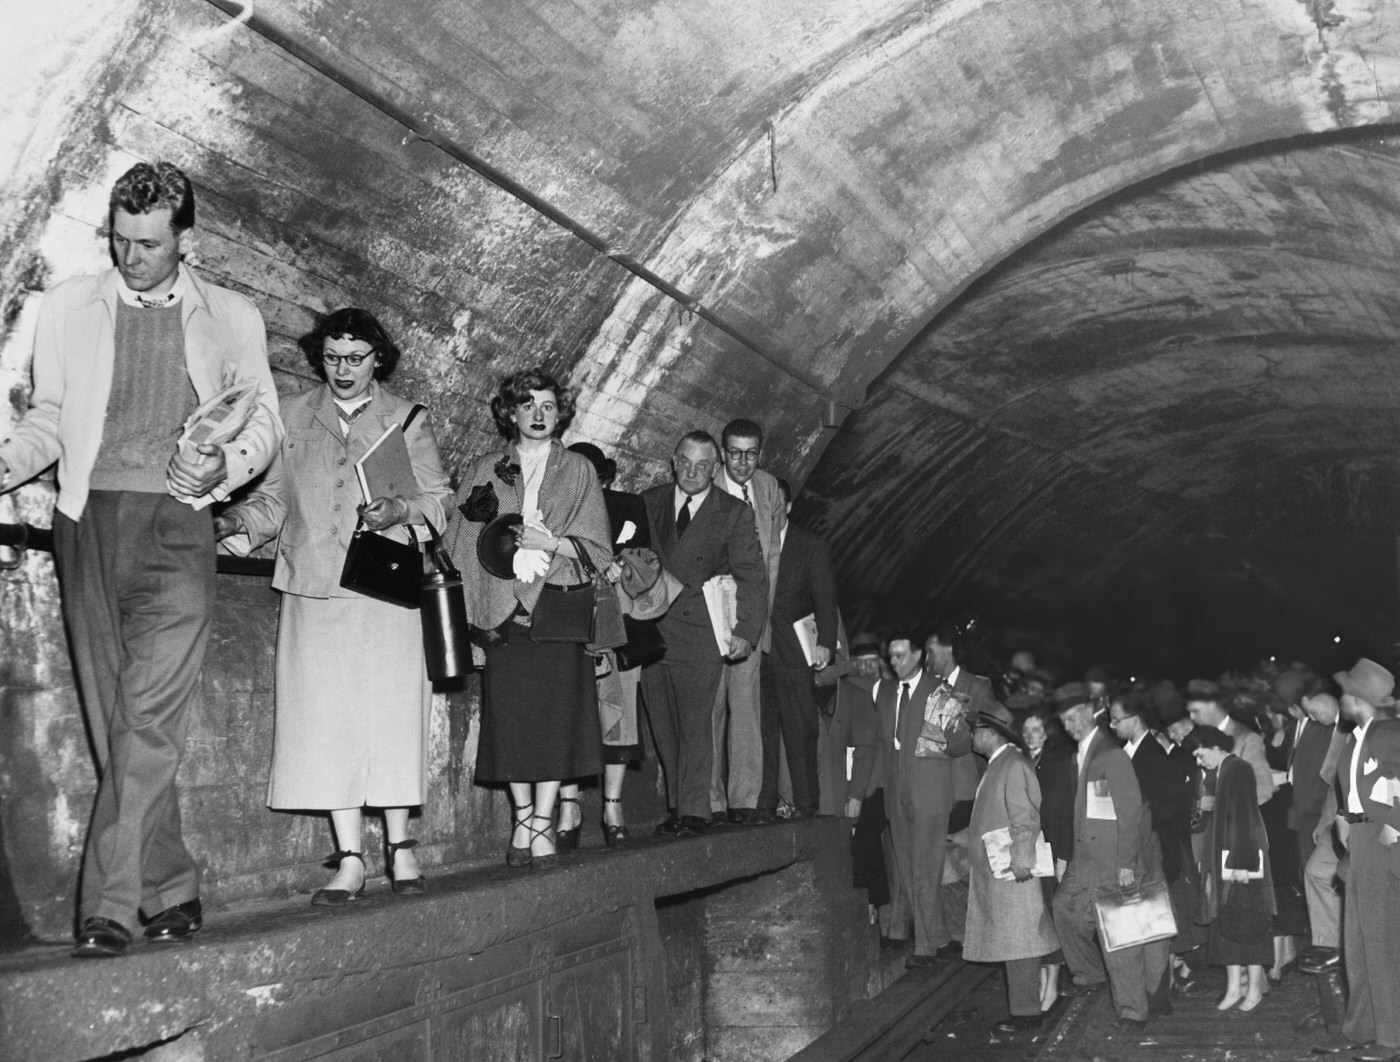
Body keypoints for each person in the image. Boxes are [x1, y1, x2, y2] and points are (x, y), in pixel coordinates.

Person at [0, 161, 281, 957]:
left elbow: (262, 424)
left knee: (148, 720)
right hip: (88, 523)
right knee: (113, 723)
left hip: (178, 527)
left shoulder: (231, 316)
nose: (133, 258)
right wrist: (6, 463)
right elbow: (50, 417)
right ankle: (171, 885)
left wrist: (223, 471)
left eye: (150, 245)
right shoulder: (68, 308)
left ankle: (110, 907)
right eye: (121, 242)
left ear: (184, 238)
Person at [217, 308, 449, 903]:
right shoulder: (290, 415)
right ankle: (350, 859)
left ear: (379, 360)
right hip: (314, 586)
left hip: (386, 590)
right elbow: (271, 500)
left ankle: (400, 850)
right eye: (332, 358)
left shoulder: (407, 419)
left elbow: (438, 503)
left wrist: (401, 511)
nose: (343, 370)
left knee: (392, 718)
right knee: (325, 724)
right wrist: (234, 523)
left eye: (356, 359)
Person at [444, 369, 612, 868]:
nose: (538, 415)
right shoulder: (484, 468)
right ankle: (523, 817)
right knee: (512, 723)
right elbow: (459, 544)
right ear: (509, 413)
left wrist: (553, 543)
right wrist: (473, 611)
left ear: (560, 414)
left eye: (548, 406)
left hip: (555, 613)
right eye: (528, 406)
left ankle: (541, 822)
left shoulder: (578, 469)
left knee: (555, 723)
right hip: (502, 616)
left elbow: (599, 549)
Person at [639, 430, 767, 836]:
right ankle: (678, 806)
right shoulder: (649, 502)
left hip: (700, 631)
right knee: (663, 722)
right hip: (652, 631)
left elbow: (752, 576)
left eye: (703, 466)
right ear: (673, 461)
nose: (692, 472)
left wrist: (746, 630)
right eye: (685, 463)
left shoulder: (732, 512)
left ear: (715, 470)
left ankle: (695, 810)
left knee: (696, 723)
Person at [1050, 682, 1164, 1030]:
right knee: (1063, 911)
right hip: (1086, 859)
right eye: (1063, 720)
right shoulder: (1082, 754)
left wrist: (1127, 863)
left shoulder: (1111, 755)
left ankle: (1133, 1011)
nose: (1069, 726)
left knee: (1121, 939)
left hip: (1113, 861)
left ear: (1089, 712)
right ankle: (1090, 975)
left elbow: (1130, 812)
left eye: (1073, 717)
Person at [555, 442, 650, 848]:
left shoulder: (628, 505)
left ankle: (613, 806)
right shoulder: (552, 508)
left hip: (618, 625)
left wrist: (621, 565)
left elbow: (648, 562)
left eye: (590, 475)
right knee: (567, 714)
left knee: (620, 716)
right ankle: (568, 806)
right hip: (567, 622)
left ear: (604, 477)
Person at [872, 631, 978, 966]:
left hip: (930, 795)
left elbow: (962, 745)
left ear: (918, 655)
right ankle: (940, 936)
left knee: (925, 870)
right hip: (897, 793)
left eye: (900, 655)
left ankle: (926, 946)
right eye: (891, 656)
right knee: (906, 868)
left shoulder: (940, 692)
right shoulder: (886, 693)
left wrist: (948, 729)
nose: (894, 661)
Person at [964, 703, 1060, 1036]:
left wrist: (1021, 860)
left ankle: (1026, 1014)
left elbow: (1025, 817)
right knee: (1014, 943)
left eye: (976, 730)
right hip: (1001, 867)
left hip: (1012, 869)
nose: (972, 736)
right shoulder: (1000, 764)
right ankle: (1024, 1010)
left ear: (990, 734)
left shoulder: (1012, 765)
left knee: (1021, 944)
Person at [710, 418, 785, 823]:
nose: (742, 462)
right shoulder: (705, 481)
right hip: (711, 614)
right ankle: (710, 802)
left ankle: (744, 800)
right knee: (710, 709)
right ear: (723, 453)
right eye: (735, 453)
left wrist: (760, 620)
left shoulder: (769, 487)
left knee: (747, 709)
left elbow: (771, 556)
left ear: (760, 453)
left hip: (751, 619)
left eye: (751, 454)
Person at [1330, 658, 1400, 1060]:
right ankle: (1359, 1028)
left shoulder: (1391, 734)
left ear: (1356, 698)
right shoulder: (1359, 736)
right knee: (1356, 946)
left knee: (1384, 948)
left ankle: (1390, 1039)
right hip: (1359, 849)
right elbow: (1365, 799)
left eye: (1345, 691)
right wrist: (1347, 818)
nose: (1340, 697)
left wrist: (1391, 836)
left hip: (1383, 855)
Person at [759, 477, 839, 819]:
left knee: (801, 727)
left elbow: (825, 598)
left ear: (789, 506)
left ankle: (806, 802)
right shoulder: (749, 540)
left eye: (777, 501)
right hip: (755, 652)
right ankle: (761, 803)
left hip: (794, 651)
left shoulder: (809, 544)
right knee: (758, 731)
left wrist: (825, 644)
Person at [1191, 726, 1274, 1013]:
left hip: (1241, 858)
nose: (1198, 759)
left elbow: (1245, 817)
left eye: (1200, 752)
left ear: (1214, 746)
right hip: (1226, 855)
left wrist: (1242, 864)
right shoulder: (1225, 770)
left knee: (1248, 922)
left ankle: (1253, 989)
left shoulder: (1237, 769)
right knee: (1225, 921)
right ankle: (1234, 987)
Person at [1022, 707, 1071, 1011]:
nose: (1029, 736)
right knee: (1032, 919)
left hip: (1049, 849)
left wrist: (1063, 857)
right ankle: (1041, 983)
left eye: (1036, 730)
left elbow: (1063, 812)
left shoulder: (1055, 763)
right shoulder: (1018, 760)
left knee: (1048, 919)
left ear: (1047, 732)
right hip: (1028, 848)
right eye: (1026, 730)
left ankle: (1051, 985)